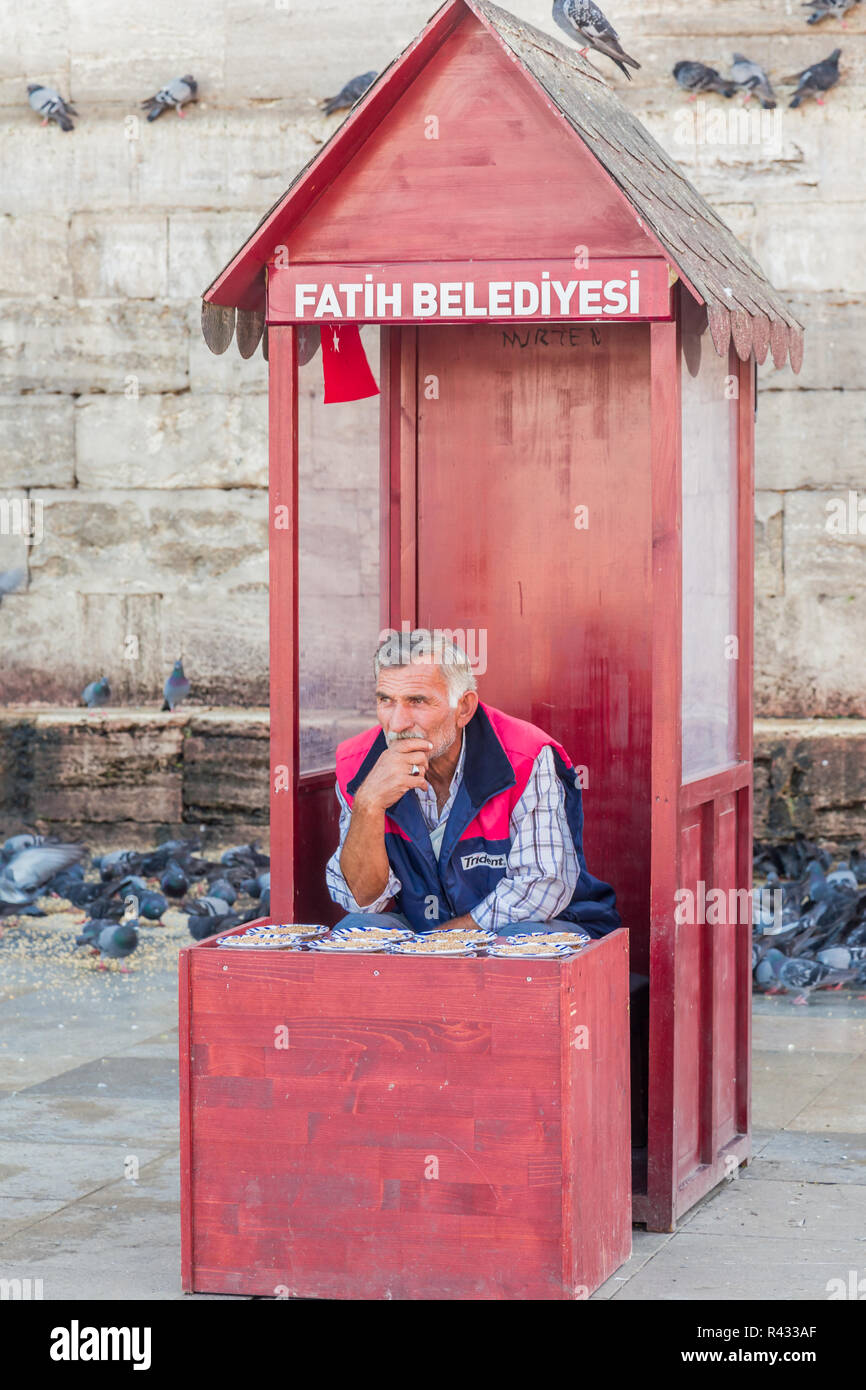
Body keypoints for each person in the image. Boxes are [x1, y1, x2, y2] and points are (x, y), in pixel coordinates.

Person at [326, 629, 620, 937]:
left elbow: (539, 887)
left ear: (463, 708)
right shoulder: (358, 763)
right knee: (358, 931)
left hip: (533, 929)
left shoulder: (524, 755)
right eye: (386, 700)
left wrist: (440, 946)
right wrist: (368, 804)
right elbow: (361, 900)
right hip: (421, 933)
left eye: (417, 701)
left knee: (524, 941)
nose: (397, 723)